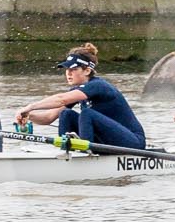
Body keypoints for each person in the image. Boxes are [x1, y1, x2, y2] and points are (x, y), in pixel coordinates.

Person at [16, 43, 147, 149]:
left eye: (73, 69)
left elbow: (61, 99)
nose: (68, 73)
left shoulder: (99, 85)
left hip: (133, 141)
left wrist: (31, 106)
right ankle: (67, 151)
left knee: (87, 114)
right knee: (66, 114)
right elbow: (48, 118)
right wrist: (28, 115)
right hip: (108, 138)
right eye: (67, 70)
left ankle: (86, 152)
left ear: (87, 71)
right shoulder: (77, 91)